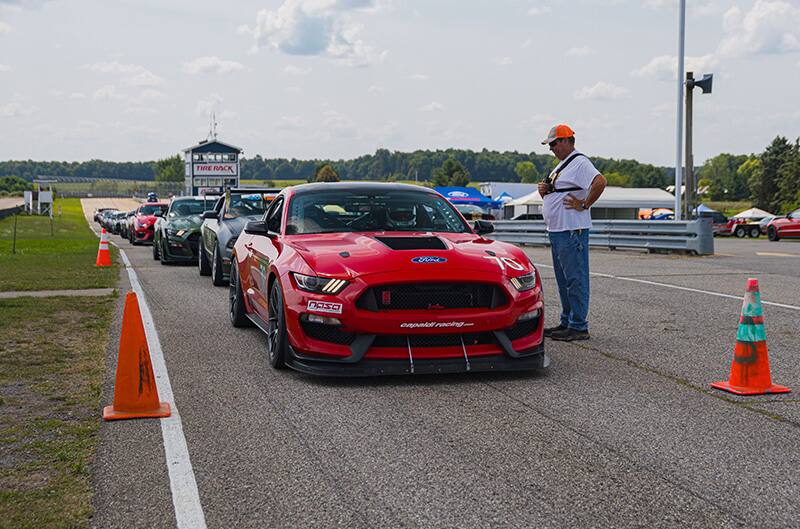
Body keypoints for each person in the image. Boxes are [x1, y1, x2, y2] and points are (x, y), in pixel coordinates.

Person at [537, 124, 607, 341]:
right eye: (550, 145)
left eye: (555, 143)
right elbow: (559, 193)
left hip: (571, 230)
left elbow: (600, 181)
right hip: (559, 229)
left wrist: (585, 204)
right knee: (564, 279)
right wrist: (546, 191)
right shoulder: (562, 166)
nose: (552, 149)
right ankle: (567, 321)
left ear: (567, 140)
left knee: (575, 278)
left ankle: (578, 325)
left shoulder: (580, 162)